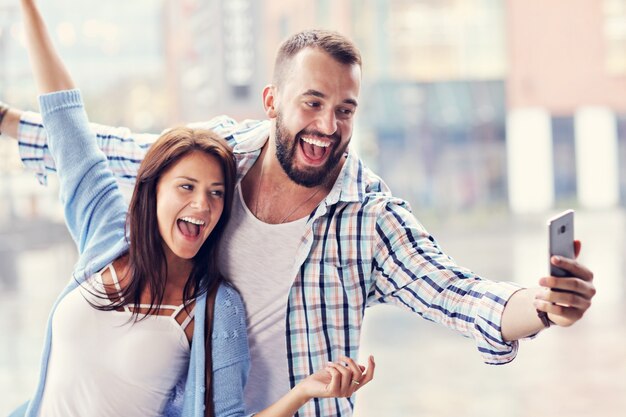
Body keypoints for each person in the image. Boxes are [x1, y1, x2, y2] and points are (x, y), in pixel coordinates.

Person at [0, 10, 595, 417]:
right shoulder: (219, 158)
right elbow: (110, 151)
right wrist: (9, 122)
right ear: (272, 101)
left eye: (345, 109)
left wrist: (542, 307)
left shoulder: (371, 219)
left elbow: (457, 294)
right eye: (312, 102)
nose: (327, 126)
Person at [7, 1, 374, 416]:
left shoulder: (215, 309)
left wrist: (304, 391)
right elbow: (66, 121)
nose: (202, 205)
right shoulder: (107, 235)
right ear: (153, 190)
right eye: (186, 187)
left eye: (217, 192)